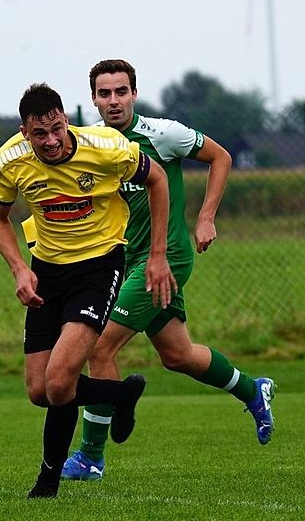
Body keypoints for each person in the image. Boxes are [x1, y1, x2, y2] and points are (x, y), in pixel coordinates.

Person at [61, 59, 275, 483]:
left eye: (121, 91)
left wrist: (206, 217)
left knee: (99, 347)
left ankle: (90, 457)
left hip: (166, 258)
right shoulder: (90, 145)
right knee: (178, 356)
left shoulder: (163, 134)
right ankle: (255, 390)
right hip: (122, 262)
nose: (113, 100)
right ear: (93, 100)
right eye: (104, 94)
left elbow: (222, 157)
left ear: (134, 94)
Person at [0, 83, 176, 498]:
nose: (51, 141)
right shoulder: (10, 162)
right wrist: (19, 268)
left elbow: (158, 180)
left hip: (99, 265)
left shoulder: (107, 147)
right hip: (47, 272)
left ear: (66, 121)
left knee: (59, 382)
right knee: (39, 391)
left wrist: (157, 253)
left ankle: (47, 482)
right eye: (40, 134)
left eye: (56, 129)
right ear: (24, 133)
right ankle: (122, 393)